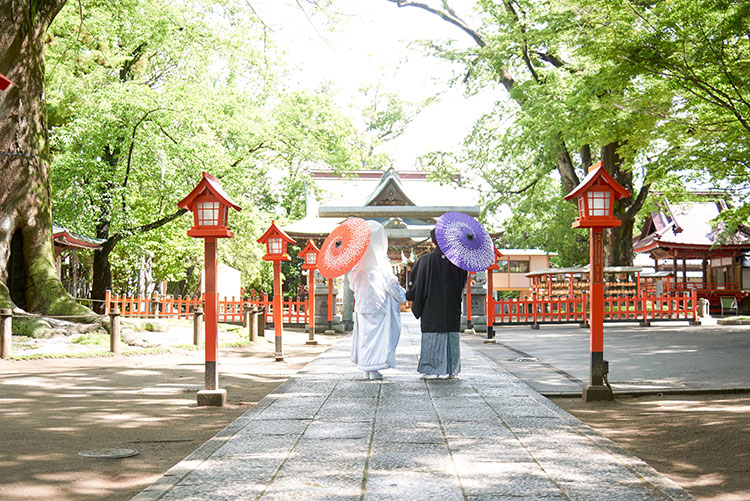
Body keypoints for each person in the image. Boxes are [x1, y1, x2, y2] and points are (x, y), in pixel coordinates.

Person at [347, 220, 406, 380]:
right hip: (379, 305)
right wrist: (404, 296)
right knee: (378, 338)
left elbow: (353, 285)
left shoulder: (357, 264)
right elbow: (391, 284)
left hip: (362, 305)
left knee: (365, 336)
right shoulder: (382, 263)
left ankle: (366, 367)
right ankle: (374, 368)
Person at [406, 228, 468, 379]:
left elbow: (416, 286)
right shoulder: (458, 261)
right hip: (451, 307)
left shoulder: (425, 261)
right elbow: (462, 283)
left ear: (433, 242)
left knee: (433, 336)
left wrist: (410, 294)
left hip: (431, 309)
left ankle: (432, 369)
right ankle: (452, 370)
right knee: (451, 336)